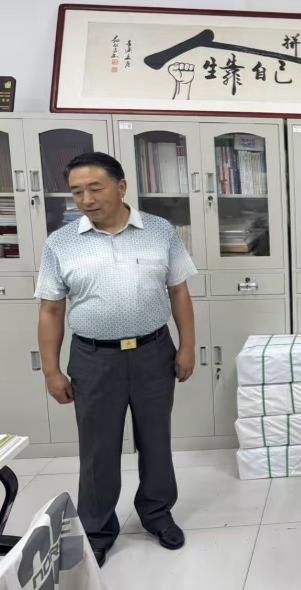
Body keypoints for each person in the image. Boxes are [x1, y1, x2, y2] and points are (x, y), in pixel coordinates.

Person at [35, 152, 197, 568]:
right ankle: (97, 529)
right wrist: (52, 370)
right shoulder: (61, 243)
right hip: (93, 358)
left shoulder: (159, 231)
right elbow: (51, 309)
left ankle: (157, 514)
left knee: (156, 441)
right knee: (97, 449)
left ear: (121, 187)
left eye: (95, 188)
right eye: (76, 192)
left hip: (153, 353)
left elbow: (179, 291)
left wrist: (187, 346)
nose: (86, 199)